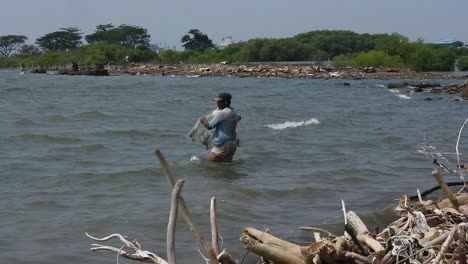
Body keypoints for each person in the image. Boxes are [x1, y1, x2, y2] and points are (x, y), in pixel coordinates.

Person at [199, 92, 241, 162]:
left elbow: (209, 126)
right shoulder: (234, 113)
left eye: (219, 102)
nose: (217, 103)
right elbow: (239, 117)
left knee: (208, 166)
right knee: (225, 168)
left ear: (225, 102)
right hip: (232, 145)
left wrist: (203, 120)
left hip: (222, 145)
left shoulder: (222, 113)